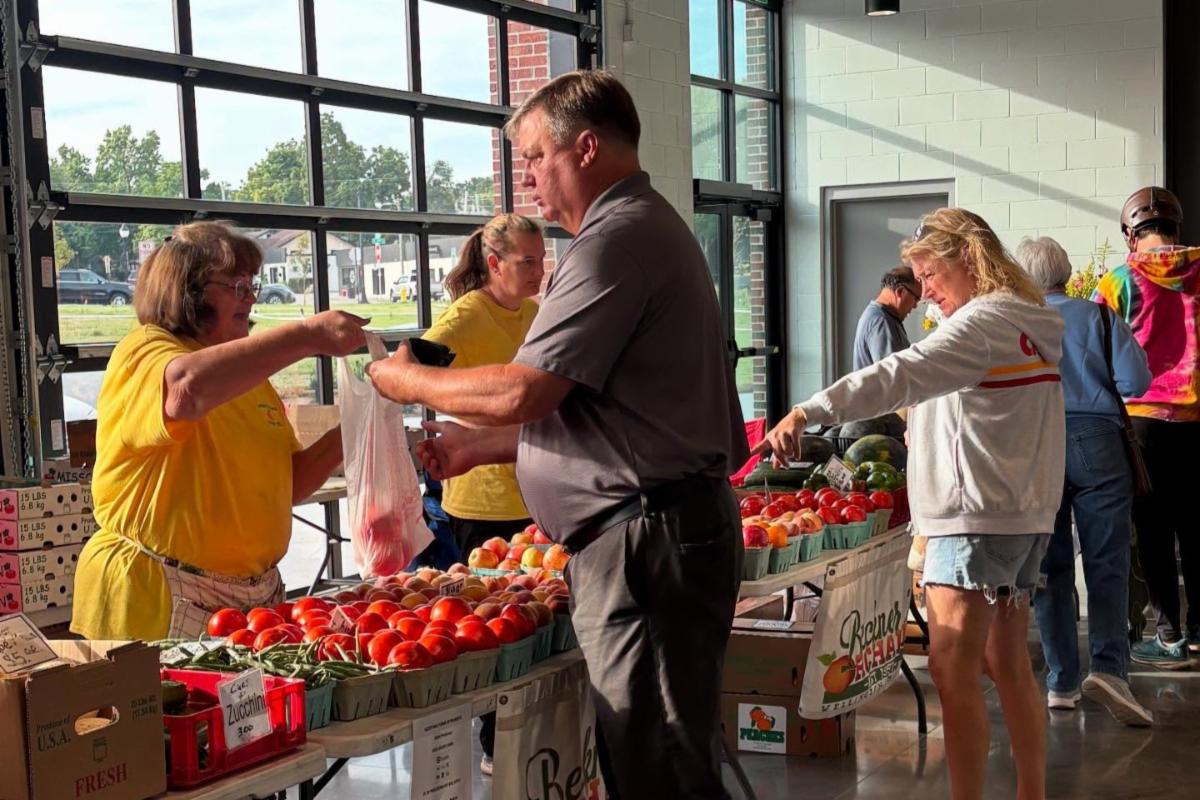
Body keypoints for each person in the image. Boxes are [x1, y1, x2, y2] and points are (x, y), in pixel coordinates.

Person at [367, 70, 747, 799]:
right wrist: (477, 448)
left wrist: (403, 381)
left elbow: (524, 389)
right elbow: (608, 414)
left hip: (645, 538)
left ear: (586, 147)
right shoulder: (642, 230)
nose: (530, 179)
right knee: (655, 756)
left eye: (537, 157)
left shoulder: (616, 242)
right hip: (658, 525)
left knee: (657, 763)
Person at [760, 208, 1064, 800]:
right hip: (1023, 517)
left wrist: (808, 410)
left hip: (971, 518)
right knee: (1010, 666)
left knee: (952, 671)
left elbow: (893, 374)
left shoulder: (977, 326)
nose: (923, 291)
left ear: (966, 258)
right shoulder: (1031, 322)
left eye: (930, 274)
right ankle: (1033, 793)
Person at [71, 221, 367, 641]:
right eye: (237, 285)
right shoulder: (145, 351)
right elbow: (185, 391)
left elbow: (289, 484)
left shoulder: (247, 375)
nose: (249, 297)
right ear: (187, 290)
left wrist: (359, 423)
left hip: (250, 602)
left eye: (252, 285)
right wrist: (307, 336)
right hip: (156, 597)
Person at [421, 212, 546, 776]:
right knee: (496, 629)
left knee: (536, 623)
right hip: (481, 504)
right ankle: (497, 747)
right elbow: (412, 369)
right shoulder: (464, 318)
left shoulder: (536, 314)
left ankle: (528, 731)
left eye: (542, 261)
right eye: (527, 262)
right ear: (494, 264)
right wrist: (467, 421)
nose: (538, 272)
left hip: (534, 491)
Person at [1016, 236, 1153, 726]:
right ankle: (1110, 672)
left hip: (1036, 442)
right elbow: (1138, 382)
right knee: (1106, 562)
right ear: (1068, 273)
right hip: (1098, 442)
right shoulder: (1098, 317)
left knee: (1050, 569)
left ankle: (1061, 683)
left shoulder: (1018, 324)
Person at [1094, 186, 1200, 669]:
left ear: (1129, 234)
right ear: (1176, 228)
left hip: (1144, 423)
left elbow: (1094, 346)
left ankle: (1170, 636)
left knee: (1154, 530)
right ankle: (1198, 630)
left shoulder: (1119, 280)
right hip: (1198, 422)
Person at [852, 265, 921, 370]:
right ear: (900, 292)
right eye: (915, 298)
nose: (915, 305)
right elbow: (893, 376)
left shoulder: (880, 317)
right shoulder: (881, 322)